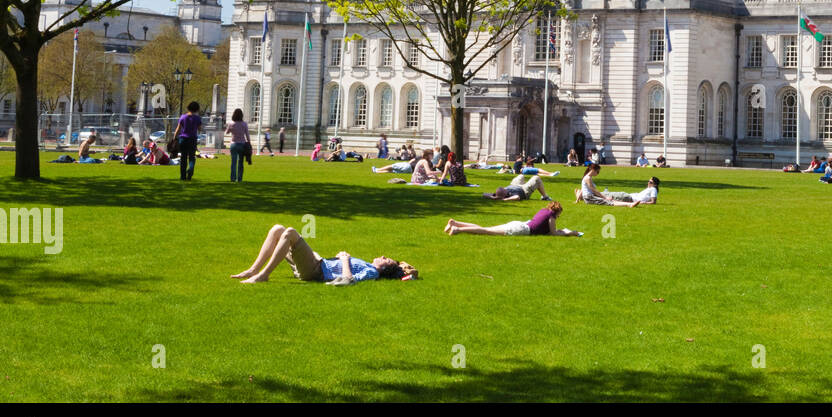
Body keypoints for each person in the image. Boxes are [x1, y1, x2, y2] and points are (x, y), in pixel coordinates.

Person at [232, 224, 417, 284]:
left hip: (315, 270)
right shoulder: (371, 267)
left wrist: (344, 259)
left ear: (383, 267)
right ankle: (253, 270)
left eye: (386, 259)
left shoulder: (373, 272)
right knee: (277, 229)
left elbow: (348, 280)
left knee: (289, 232)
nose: (383, 256)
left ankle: (263, 275)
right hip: (318, 263)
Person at [444, 201, 581, 237]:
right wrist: (569, 233)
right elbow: (553, 232)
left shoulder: (543, 210)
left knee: (486, 229)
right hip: (521, 229)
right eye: (559, 215)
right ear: (557, 212)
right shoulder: (551, 215)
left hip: (519, 224)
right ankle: (457, 229)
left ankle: (456, 223)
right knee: (486, 231)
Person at [483, 169, 557, 201]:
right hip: (524, 190)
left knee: (521, 176)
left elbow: (484, 194)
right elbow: (517, 197)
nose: (504, 188)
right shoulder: (510, 195)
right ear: (504, 194)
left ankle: (544, 196)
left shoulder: (497, 194)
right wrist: (504, 199)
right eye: (504, 189)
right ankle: (545, 197)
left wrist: (493, 197)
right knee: (536, 178)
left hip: (514, 185)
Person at [175, 102, 202, 180]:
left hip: (183, 139)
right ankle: (190, 169)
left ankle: (183, 176)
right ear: (196, 109)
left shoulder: (183, 117)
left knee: (183, 158)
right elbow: (200, 129)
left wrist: (174, 137)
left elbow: (178, 128)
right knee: (192, 157)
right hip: (192, 139)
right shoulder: (197, 118)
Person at [226, 108, 251, 182]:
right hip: (242, 144)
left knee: (233, 162)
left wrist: (230, 129)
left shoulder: (231, 123)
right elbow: (247, 134)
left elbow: (227, 132)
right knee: (241, 162)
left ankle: (233, 178)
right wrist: (249, 142)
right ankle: (239, 178)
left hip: (234, 144)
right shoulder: (244, 124)